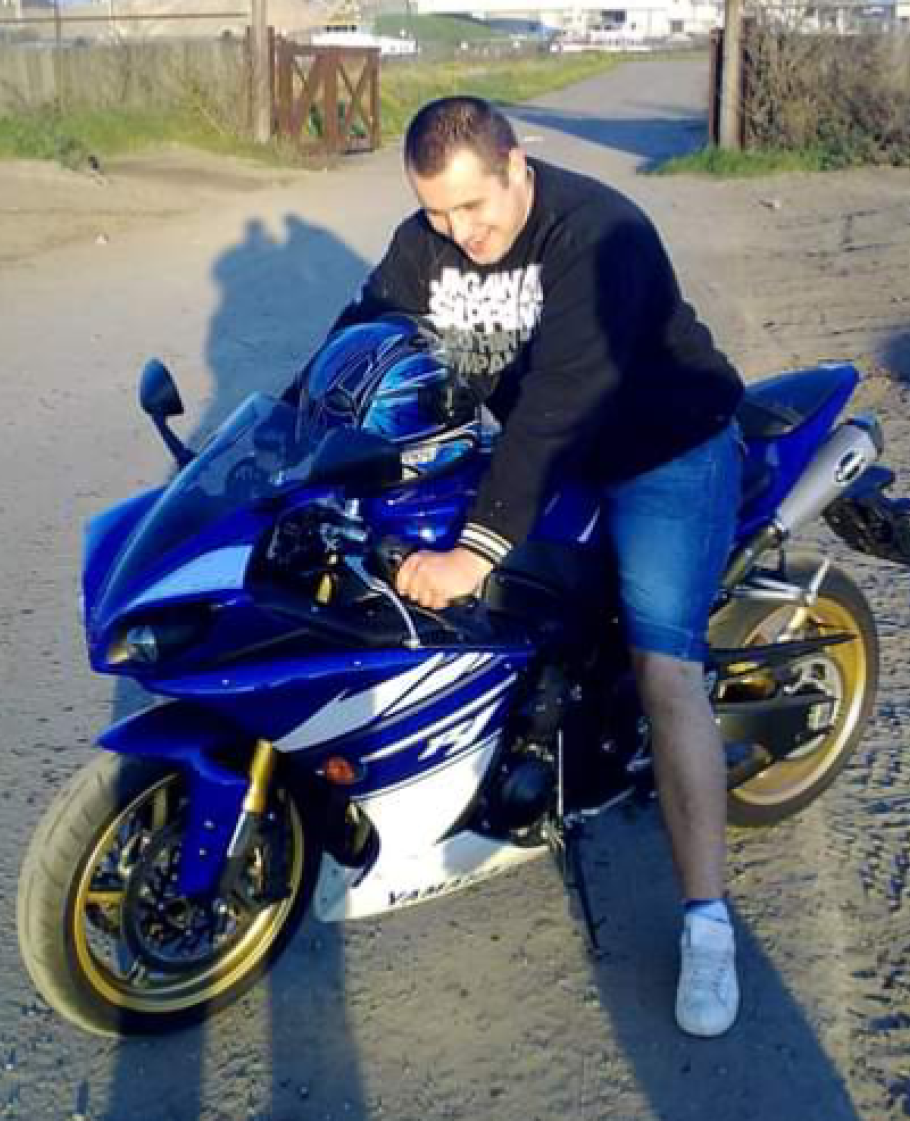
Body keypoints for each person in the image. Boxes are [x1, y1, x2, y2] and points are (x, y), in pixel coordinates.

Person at [313, 96, 745, 1037]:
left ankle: (709, 921)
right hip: (554, 451)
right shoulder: (425, 244)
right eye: (437, 212)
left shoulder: (600, 234)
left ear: (517, 163)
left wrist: (475, 549)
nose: (458, 233)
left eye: (473, 206)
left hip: (665, 451)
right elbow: (359, 338)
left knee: (665, 665)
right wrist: (287, 443)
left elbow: (557, 403)